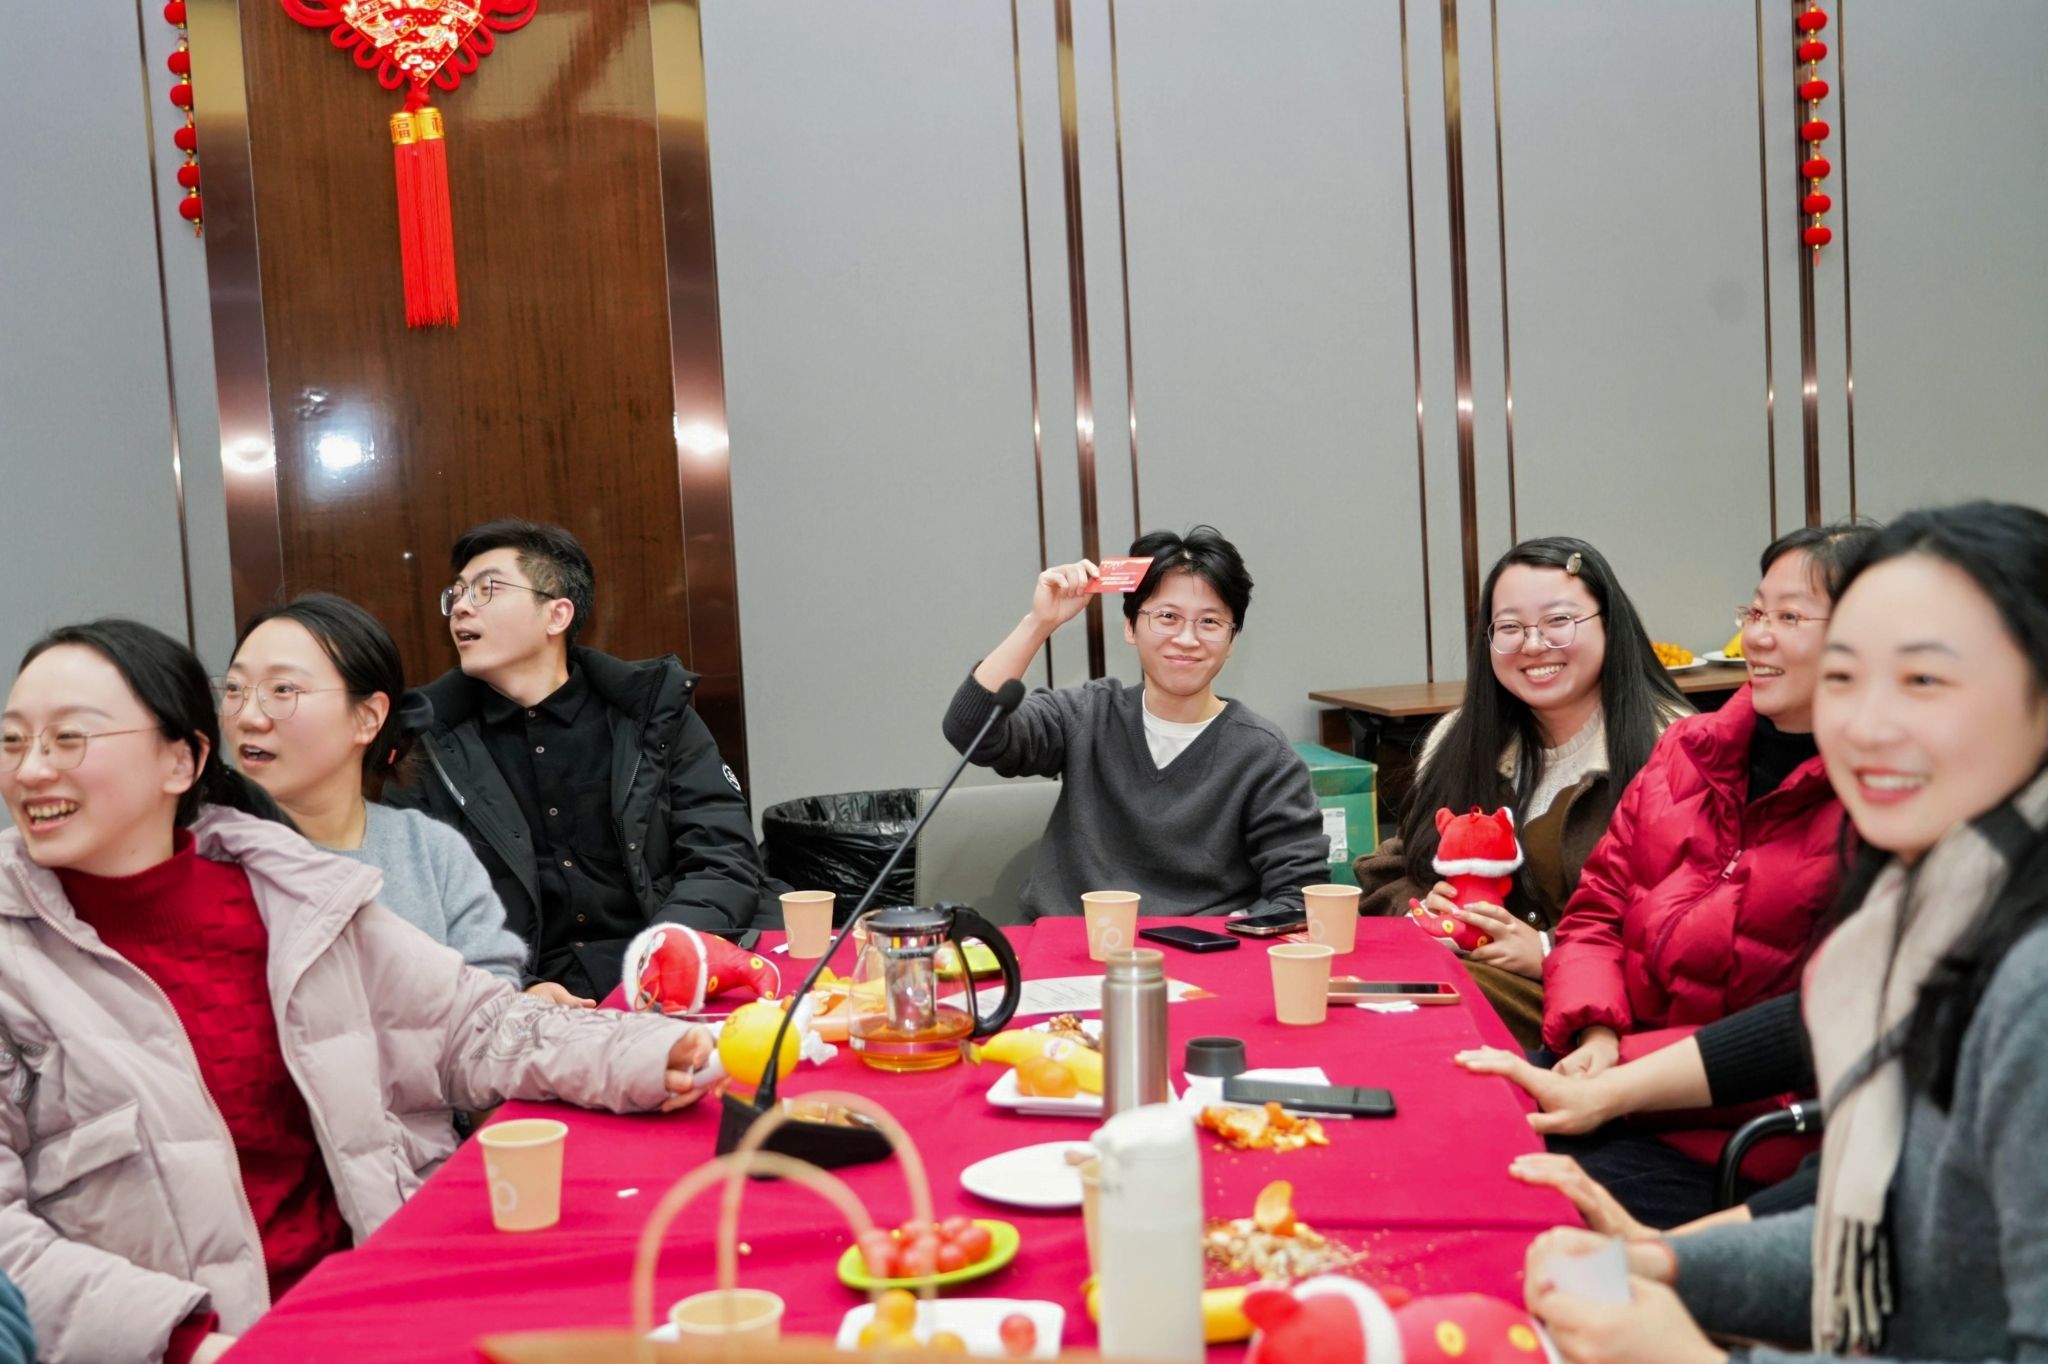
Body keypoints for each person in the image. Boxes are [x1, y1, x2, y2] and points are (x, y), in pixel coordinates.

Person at [0, 620, 714, 1363]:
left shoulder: (292, 899)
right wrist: (185, 1343)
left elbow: (472, 1025)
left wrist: (654, 1051)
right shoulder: (16, 962)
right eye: (13, 742)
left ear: (181, 759)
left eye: (68, 739)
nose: (32, 770)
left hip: (375, 1307)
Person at [1522, 500, 2048, 1364]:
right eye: (1844, 677)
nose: (1867, 725)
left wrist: (1694, 1358)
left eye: (1924, 681)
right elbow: (1889, 1244)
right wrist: (1657, 1263)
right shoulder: (1928, 910)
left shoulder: (2029, 979)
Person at [1536, 521, 1876, 1227]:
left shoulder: (1879, 803)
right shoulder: (1689, 750)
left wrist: (1624, 1070)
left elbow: (1811, 1028)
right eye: (1756, 611)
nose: (1757, 637)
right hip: (1605, 1075)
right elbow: (1596, 912)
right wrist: (1595, 1033)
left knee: (1524, 1210)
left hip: (1735, 1140)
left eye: (1789, 618)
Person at [387, 518, 772, 1005]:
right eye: (457, 593)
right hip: (520, 1001)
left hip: (664, 978)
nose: (461, 606)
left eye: (486, 589)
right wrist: (515, 988)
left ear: (557, 615)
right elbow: (411, 905)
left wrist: (664, 954)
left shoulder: (652, 718)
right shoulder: (424, 746)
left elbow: (721, 857)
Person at [1353, 537, 1689, 1049]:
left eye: (1559, 621)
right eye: (1510, 627)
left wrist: (1549, 951)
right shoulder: (1461, 739)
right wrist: (1423, 906)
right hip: (1472, 978)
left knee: (1406, 1016)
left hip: (1607, 1010)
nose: (1533, 645)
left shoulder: (1675, 747)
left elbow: (1691, 923)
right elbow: (1395, 868)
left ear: (1609, 624)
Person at [944, 526, 1327, 920]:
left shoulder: (1263, 755)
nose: (1187, 638)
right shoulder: (1087, 715)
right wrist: (1039, 623)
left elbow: (1300, 895)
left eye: (1210, 622)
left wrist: (1233, 934)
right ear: (1130, 626)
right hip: (1071, 943)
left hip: (1197, 949)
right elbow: (970, 730)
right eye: (1167, 617)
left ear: (1231, 642)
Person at [224, 593, 528, 984]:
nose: (248, 716)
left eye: (283, 690)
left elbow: (491, 993)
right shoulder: (204, 856)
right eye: (234, 689)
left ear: (368, 717)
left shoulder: (433, 853)